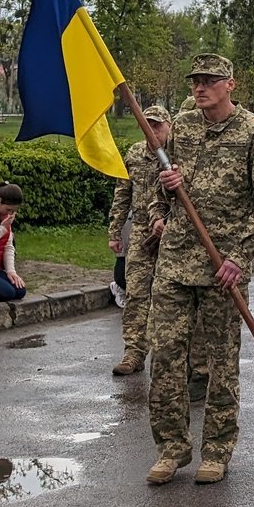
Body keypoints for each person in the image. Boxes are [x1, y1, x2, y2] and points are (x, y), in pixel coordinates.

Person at [144, 53, 254, 486]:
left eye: (209, 80)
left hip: (223, 266)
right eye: (195, 81)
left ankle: (217, 449)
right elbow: (159, 193)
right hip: (176, 259)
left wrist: (240, 257)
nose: (200, 87)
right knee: (165, 354)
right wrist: (163, 199)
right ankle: (172, 447)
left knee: (222, 363)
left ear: (230, 84)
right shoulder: (181, 127)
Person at [109, 105, 173, 376]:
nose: (153, 130)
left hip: (172, 235)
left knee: (170, 297)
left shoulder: (178, 153)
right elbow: (123, 192)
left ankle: (173, 355)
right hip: (140, 233)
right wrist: (114, 231)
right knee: (136, 293)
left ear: (169, 126)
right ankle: (133, 351)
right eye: (148, 124)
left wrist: (168, 222)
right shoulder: (135, 153)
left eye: (158, 125)